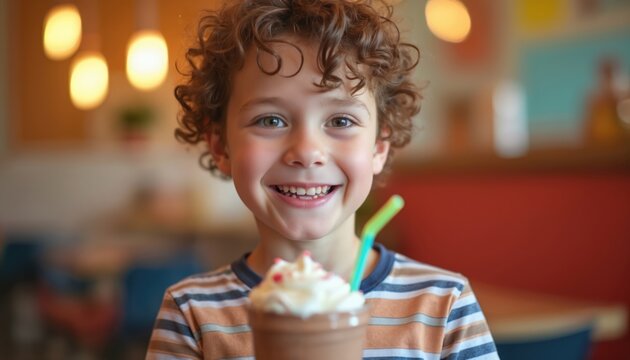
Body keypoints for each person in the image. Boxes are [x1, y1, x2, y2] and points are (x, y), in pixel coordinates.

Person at [146, 0, 499, 359]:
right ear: (221, 147)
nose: (306, 150)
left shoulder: (443, 305)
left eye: (341, 121)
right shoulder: (192, 314)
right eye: (270, 120)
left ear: (379, 146)